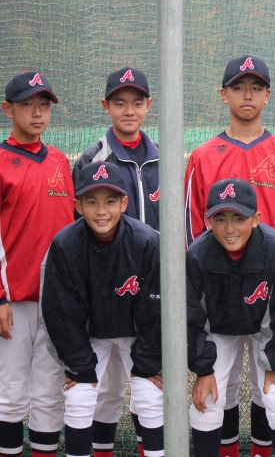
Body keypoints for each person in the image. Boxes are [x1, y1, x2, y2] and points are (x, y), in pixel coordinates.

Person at [184, 55, 275, 456]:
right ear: (223, 95)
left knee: (270, 388)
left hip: (268, 298)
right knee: (213, 394)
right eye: (238, 87)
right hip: (217, 297)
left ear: (268, 95)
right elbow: (193, 233)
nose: (247, 95)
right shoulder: (203, 156)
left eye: (256, 88)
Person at [40, 162, 164, 457]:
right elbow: (60, 311)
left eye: (110, 201)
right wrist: (79, 366)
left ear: (124, 203)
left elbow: (157, 308)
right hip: (90, 332)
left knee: (149, 394)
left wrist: (148, 363)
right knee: (80, 395)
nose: (101, 211)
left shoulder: (147, 240)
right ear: (78, 206)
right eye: (91, 201)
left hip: (136, 331)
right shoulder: (65, 244)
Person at [72, 67, 159, 456]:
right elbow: (79, 230)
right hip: (105, 292)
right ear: (105, 106)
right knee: (104, 387)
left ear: (148, 106)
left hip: (150, 290)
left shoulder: (162, 158)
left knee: (149, 382)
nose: (129, 111)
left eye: (137, 103)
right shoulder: (92, 158)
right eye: (119, 103)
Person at [187, 178, 275, 457]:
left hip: (266, 326)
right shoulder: (197, 254)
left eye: (239, 218)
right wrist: (204, 370)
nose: (229, 228)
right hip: (219, 326)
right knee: (207, 401)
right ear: (208, 221)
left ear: (255, 219)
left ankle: (261, 452)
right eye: (220, 218)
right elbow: (192, 316)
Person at [0, 71, 74, 457]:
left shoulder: (60, 160)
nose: (37, 112)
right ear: (7, 109)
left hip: (57, 300)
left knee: (49, 392)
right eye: (27, 104)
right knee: (10, 392)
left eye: (43, 104)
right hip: (13, 301)